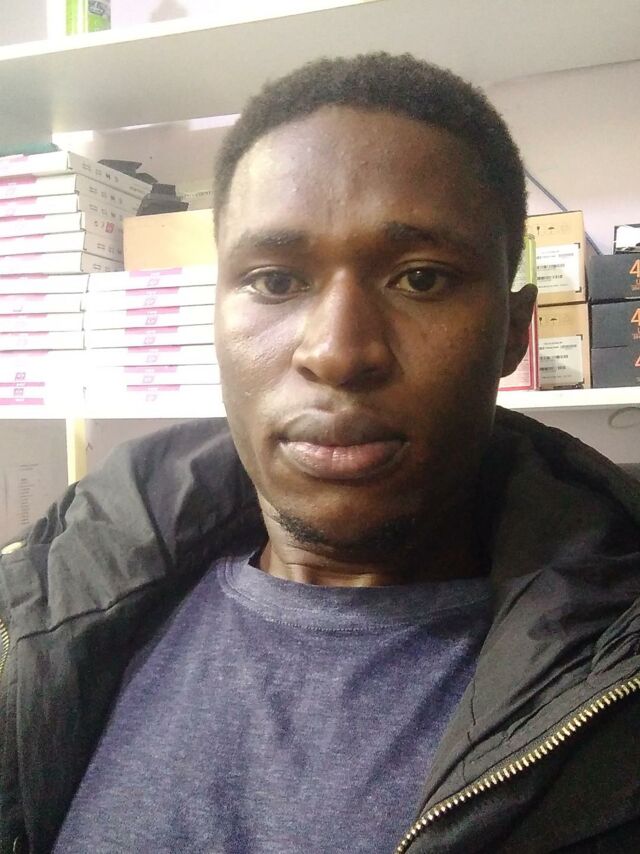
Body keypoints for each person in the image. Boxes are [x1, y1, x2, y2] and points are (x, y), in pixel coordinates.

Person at [1, 53, 639, 854]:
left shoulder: (614, 691)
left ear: (513, 331)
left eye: (422, 279)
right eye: (274, 281)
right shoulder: (47, 604)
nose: (338, 352)